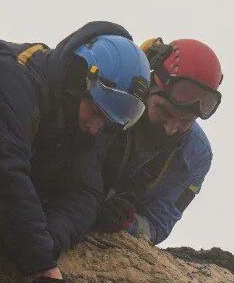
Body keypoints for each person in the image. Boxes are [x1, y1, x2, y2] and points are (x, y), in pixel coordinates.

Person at [0, 21, 151, 283]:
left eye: (108, 121)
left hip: (25, 230)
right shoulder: (14, 79)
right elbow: (6, 173)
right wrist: (42, 266)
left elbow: (86, 195)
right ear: (78, 77)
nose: (95, 128)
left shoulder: (77, 120)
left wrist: (46, 239)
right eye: (98, 112)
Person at [93, 37, 223, 244]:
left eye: (185, 121)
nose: (171, 128)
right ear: (147, 88)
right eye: (163, 110)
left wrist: (125, 223)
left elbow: (158, 225)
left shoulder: (197, 154)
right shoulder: (110, 100)